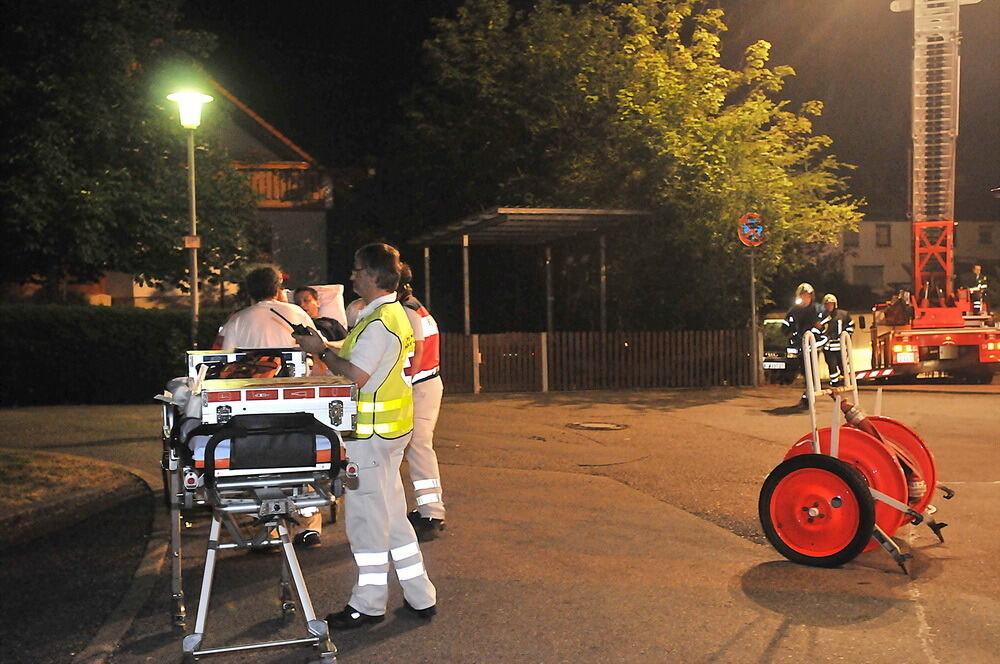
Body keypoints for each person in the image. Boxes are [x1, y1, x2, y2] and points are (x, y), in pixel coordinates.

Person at [294, 243, 437, 629]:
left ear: (374, 276)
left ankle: (368, 604)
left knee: (367, 521)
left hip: (371, 438)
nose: (352, 275)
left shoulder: (378, 321)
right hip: (389, 434)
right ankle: (420, 594)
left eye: (357, 270)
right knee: (391, 516)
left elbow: (356, 374)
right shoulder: (391, 314)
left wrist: (320, 350)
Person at [217, 265, 324, 548]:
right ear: (279, 289)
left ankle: (269, 530)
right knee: (305, 462)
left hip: (254, 410)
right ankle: (309, 523)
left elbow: (222, 365)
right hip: (297, 405)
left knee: (260, 466)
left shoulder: (238, 321)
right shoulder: (297, 315)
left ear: (249, 292)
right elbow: (316, 353)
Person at [397, 263, 446, 540]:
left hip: (420, 387)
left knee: (418, 447)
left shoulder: (407, 311)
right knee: (418, 448)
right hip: (427, 384)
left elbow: (416, 354)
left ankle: (432, 514)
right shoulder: (416, 306)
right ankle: (428, 509)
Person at [782, 282, 826, 407]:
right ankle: (808, 394)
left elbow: (825, 324)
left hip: (813, 345)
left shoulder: (818, 309)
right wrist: (789, 333)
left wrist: (820, 328)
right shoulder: (794, 311)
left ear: (811, 296)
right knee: (804, 371)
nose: (805, 297)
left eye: (807, 295)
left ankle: (808, 396)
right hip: (800, 345)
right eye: (803, 295)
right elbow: (786, 326)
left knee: (810, 370)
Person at [819, 293, 854, 388]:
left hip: (841, 346)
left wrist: (846, 336)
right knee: (832, 365)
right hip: (828, 347)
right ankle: (835, 383)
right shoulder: (821, 316)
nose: (829, 306)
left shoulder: (844, 314)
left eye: (831, 304)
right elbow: (818, 329)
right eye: (827, 304)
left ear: (835, 304)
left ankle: (846, 381)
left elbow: (851, 325)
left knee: (843, 366)